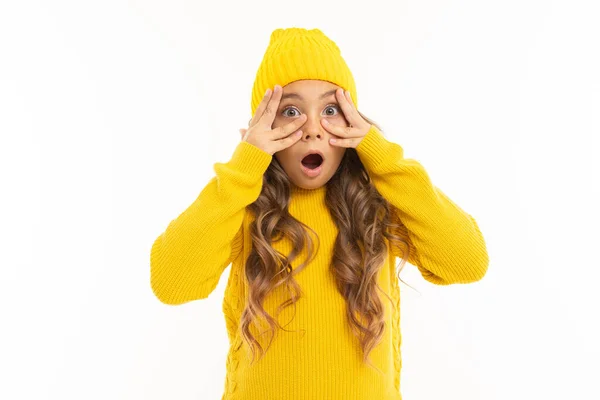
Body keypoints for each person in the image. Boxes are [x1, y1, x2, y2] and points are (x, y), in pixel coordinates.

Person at [150, 27, 489, 400]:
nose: (312, 129)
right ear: (264, 126)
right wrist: (245, 166)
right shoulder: (243, 208)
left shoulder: (376, 205)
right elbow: (171, 282)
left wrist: (381, 155)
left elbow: (468, 262)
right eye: (290, 111)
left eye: (330, 110)